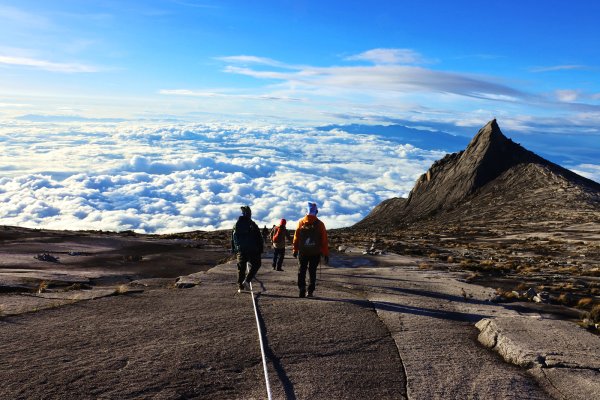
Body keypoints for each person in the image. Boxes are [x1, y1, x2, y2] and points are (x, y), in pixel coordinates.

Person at [293, 202, 329, 298]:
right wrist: (325, 253)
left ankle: (301, 289)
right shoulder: (320, 224)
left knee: (302, 270)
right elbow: (324, 240)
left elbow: (296, 238)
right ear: (316, 212)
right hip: (315, 252)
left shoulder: (301, 222)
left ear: (306, 212)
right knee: (312, 272)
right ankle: (310, 292)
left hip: (303, 252)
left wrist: (295, 250)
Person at [231, 206, 263, 292]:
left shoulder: (236, 225)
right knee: (256, 264)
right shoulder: (252, 224)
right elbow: (259, 238)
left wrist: (234, 249)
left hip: (241, 250)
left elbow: (233, 238)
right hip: (252, 250)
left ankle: (241, 287)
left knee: (241, 268)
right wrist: (260, 249)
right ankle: (247, 280)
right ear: (249, 214)